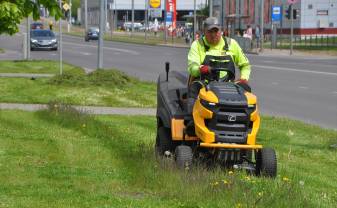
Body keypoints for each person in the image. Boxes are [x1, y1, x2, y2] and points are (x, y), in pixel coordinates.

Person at [185, 17, 251, 130]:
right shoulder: (197, 45)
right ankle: (191, 120)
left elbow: (245, 65)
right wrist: (201, 69)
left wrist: (244, 78)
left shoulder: (232, 44)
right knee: (194, 88)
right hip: (205, 84)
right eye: (210, 31)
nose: (213, 34)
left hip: (229, 84)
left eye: (216, 31)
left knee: (246, 89)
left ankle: (246, 122)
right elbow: (192, 67)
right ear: (204, 31)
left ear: (221, 31)